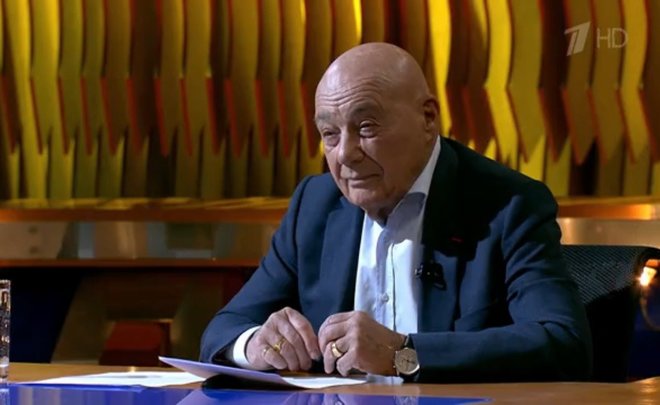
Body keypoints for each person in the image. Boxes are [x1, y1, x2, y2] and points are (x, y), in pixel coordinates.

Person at [200, 42, 592, 382]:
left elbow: (563, 342)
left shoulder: (508, 204)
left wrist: (404, 355)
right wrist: (256, 345)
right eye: (330, 134)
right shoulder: (314, 205)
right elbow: (222, 330)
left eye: (366, 127)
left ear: (428, 118)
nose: (345, 154)